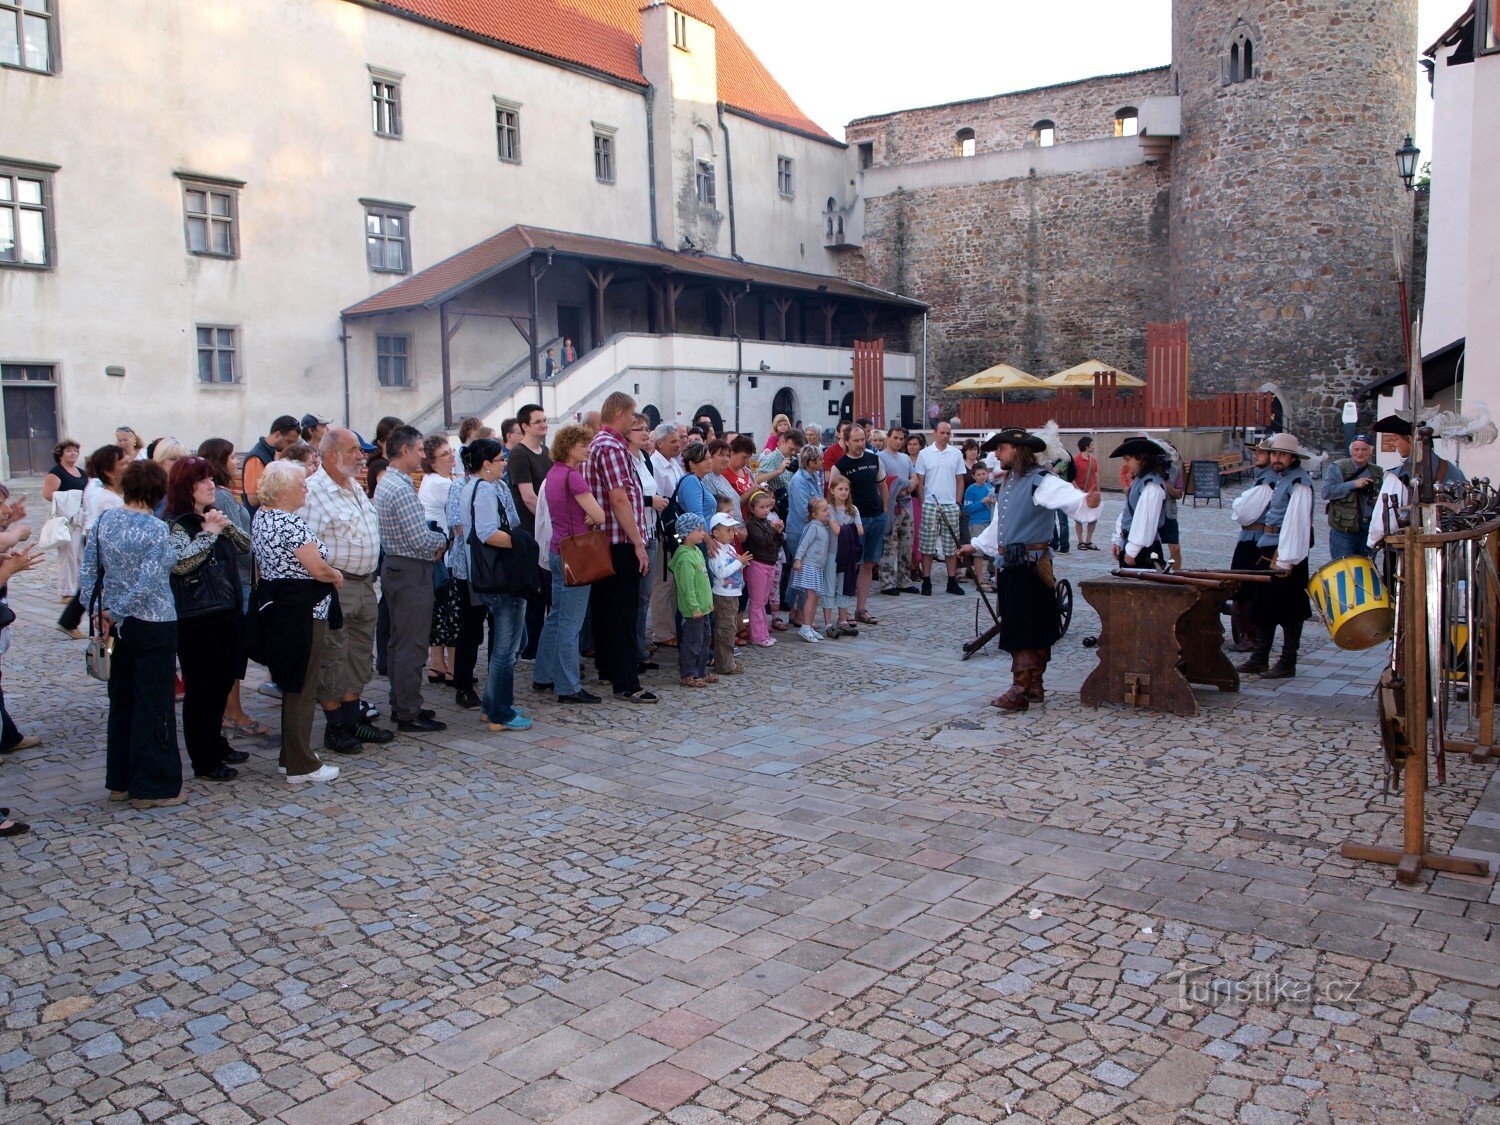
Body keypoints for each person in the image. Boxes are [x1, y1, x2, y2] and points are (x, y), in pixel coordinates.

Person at [958, 429, 1102, 711]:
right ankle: (1034, 685)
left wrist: (1086, 502)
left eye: (1002, 449)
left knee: (1026, 627)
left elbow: (1069, 497)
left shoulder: (1041, 480)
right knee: (1023, 625)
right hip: (1011, 565)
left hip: (1031, 565)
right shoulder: (1009, 482)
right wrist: (974, 545)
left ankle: (1021, 688)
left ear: (1019, 450)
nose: (997, 455)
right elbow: (1001, 524)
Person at [81, 460, 184, 808]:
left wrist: (99, 612)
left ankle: (120, 782)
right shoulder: (156, 529)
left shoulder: (104, 521)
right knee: (153, 705)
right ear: (157, 491)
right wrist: (115, 611)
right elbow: (150, 580)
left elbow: (88, 573)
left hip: (116, 624)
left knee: (122, 701)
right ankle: (151, 787)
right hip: (151, 622)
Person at [250, 461, 344, 783]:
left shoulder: (262, 517)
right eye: (301, 484)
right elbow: (318, 569)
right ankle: (301, 765)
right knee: (301, 686)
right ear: (282, 490)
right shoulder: (289, 523)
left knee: (293, 682)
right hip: (303, 610)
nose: (306, 488)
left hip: (281, 608)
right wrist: (336, 575)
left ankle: (290, 756)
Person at [163, 456, 251, 782]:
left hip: (225, 613)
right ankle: (204, 758)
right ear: (187, 486)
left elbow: (245, 546)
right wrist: (209, 533)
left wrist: (224, 525)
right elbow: (180, 565)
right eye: (203, 480)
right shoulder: (176, 523)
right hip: (196, 620)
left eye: (211, 479)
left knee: (223, 682)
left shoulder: (210, 518)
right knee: (202, 690)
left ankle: (216, 742)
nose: (211, 485)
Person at [374, 425, 450, 732]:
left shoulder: (391, 482)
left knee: (399, 642)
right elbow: (421, 539)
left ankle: (402, 703)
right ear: (404, 450)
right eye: (419, 450)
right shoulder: (400, 487)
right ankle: (407, 710)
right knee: (412, 644)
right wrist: (443, 540)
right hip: (409, 569)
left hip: (398, 567)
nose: (423, 455)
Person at [584, 392, 656, 703]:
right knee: (623, 613)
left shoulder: (597, 445)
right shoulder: (611, 447)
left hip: (606, 540)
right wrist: (638, 542)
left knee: (606, 610)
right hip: (619, 541)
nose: (632, 420)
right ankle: (626, 681)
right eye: (630, 415)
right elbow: (618, 497)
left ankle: (608, 668)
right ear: (619, 414)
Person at [198, 437, 269, 735]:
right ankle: (233, 712)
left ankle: (229, 711)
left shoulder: (225, 493)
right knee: (232, 651)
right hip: (236, 579)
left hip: (238, 578)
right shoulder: (223, 496)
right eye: (230, 457)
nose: (235, 462)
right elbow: (238, 540)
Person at [534, 424, 607, 704]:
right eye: (582, 445)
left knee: (556, 616)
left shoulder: (553, 474)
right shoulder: (574, 477)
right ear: (569, 447)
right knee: (570, 623)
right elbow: (599, 514)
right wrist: (592, 516)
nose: (587, 448)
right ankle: (568, 685)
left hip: (557, 550)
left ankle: (543, 675)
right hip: (576, 554)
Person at [463, 437, 533, 731]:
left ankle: (492, 705)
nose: (505, 463)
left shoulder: (478, 487)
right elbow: (488, 533)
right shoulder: (483, 491)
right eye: (500, 459)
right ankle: (499, 713)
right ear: (487, 464)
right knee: (506, 649)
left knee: (511, 644)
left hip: (488, 578)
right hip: (500, 579)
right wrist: (522, 545)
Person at [1239, 433, 1316, 679]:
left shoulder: (1299, 483)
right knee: (1264, 606)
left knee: (1290, 610)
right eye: (1274, 453)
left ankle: (1287, 661)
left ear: (1293, 457)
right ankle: (1260, 657)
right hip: (1270, 547)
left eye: (1282, 454)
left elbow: (1297, 523)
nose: (1277, 458)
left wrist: (1286, 558)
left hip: (1286, 553)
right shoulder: (1282, 479)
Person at [1367, 414, 1468, 550]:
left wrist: (1373, 542)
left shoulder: (1399, 475)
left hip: (1411, 551)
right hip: (1451, 547)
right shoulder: (1453, 470)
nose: (1395, 444)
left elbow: (1381, 525)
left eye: (1397, 439)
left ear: (1410, 439)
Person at [831, 424, 889, 627]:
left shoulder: (874, 459)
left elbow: (882, 485)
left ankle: (861, 608)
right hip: (853, 520)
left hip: (876, 516)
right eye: (856, 440)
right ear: (846, 441)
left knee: (869, 564)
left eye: (863, 439)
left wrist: (885, 512)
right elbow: (834, 495)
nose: (860, 443)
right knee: (851, 565)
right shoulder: (841, 465)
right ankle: (844, 611)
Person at [508, 404, 553, 662]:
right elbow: (528, 497)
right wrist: (550, 520)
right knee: (535, 593)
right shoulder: (519, 455)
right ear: (525, 426)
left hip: (547, 530)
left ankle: (541, 645)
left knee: (546, 591)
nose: (543, 425)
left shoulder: (546, 452)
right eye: (538, 421)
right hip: (530, 530)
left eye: (545, 420)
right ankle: (531, 648)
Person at [418, 434, 460, 686]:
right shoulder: (440, 484)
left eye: (451, 451)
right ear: (433, 462)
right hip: (445, 554)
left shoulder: (440, 480)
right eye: (445, 454)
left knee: (441, 609)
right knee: (451, 610)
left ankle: (437, 662)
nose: (451, 455)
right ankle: (450, 666)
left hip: (442, 552)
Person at [1227, 443, 1276, 652]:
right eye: (1257, 452)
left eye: (1261, 453)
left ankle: (1252, 635)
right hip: (1252, 536)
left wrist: (1238, 505)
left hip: (1256, 539)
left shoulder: (1268, 481)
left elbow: (1243, 512)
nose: (1257, 456)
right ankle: (1250, 633)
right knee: (1245, 586)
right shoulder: (1265, 477)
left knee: (1246, 586)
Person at [629, 413, 666, 667]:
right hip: (634, 534)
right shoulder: (625, 460)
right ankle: (633, 649)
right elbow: (624, 497)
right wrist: (650, 501)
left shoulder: (644, 459)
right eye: (638, 429)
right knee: (634, 597)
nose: (645, 433)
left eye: (646, 429)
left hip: (651, 529)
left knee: (644, 596)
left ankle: (639, 646)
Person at [913, 421, 967, 596]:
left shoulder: (956, 454)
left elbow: (960, 480)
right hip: (930, 503)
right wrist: (922, 502)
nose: (945, 436)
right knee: (927, 545)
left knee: (951, 546)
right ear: (934, 433)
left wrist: (958, 502)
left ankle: (951, 581)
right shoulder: (925, 454)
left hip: (950, 503)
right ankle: (926, 581)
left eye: (948, 433)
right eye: (942, 433)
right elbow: (920, 480)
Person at [648, 422, 685, 646]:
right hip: (664, 530)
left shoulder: (674, 464)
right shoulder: (655, 465)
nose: (678, 445)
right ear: (660, 443)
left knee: (673, 581)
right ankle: (662, 632)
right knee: (663, 581)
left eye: (678, 441)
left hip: (677, 528)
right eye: (673, 442)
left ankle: (671, 626)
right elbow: (660, 499)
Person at [1110, 437, 1171, 570]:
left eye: (1128, 459)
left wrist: (1133, 548)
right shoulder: (1140, 480)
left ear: (1141, 458)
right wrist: (1119, 538)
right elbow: (1129, 511)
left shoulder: (1152, 485)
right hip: (1132, 544)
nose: (1125, 464)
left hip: (1143, 550)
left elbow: (1146, 519)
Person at [1320, 434, 1383, 560]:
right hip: (1343, 531)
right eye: (1356, 449)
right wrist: (1354, 484)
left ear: (1370, 452)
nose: (1360, 453)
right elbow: (1326, 492)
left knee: (1365, 569)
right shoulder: (1339, 467)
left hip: (1368, 530)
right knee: (1343, 569)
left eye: (1364, 449)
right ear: (1351, 451)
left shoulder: (1377, 471)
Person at [671, 514, 715, 686]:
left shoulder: (696, 551)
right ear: (687, 533)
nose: (702, 533)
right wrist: (693, 606)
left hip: (704, 607)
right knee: (692, 642)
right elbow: (687, 586)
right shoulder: (684, 557)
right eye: (698, 530)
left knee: (705, 640)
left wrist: (708, 603)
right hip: (693, 610)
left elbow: (703, 581)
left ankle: (701, 670)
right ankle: (688, 673)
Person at [43, 439, 87, 603]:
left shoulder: (81, 472)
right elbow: (49, 494)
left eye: (75, 450)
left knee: (81, 553)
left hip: (81, 516)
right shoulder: (56, 473)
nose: (73, 453)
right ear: (60, 454)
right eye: (69, 450)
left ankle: (81, 587)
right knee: (68, 554)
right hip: (66, 518)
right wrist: (70, 498)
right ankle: (67, 591)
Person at [877, 427, 918, 596]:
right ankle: (887, 582)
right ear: (888, 438)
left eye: (901, 439)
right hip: (891, 505)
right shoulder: (880, 457)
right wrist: (897, 488)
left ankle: (904, 580)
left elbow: (914, 478)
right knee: (889, 544)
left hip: (906, 504)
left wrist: (907, 489)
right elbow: (882, 481)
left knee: (906, 544)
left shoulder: (905, 458)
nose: (898, 441)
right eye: (895, 438)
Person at [784, 446, 823, 626]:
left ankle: (796, 611)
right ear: (810, 462)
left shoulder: (814, 477)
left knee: (800, 573)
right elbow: (802, 510)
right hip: (800, 530)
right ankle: (799, 613)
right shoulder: (799, 481)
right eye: (819, 459)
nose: (822, 462)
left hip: (810, 529)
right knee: (803, 572)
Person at [706, 513, 749, 674]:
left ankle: (728, 661)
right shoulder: (716, 550)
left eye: (733, 530)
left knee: (730, 629)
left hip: (733, 593)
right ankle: (724, 665)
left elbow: (735, 567)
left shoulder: (730, 548)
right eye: (728, 530)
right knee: (725, 630)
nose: (733, 534)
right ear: (716, 533)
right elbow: (721, 572)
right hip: (723, 594)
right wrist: (739, 562)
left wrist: (741, 563)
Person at [743, 489, 786, 645]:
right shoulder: (752, 525)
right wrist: (773, 530)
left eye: (768, 507)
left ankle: (763, 633)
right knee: (756, 602)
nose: (766, 510)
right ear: (753, 508)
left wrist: (779, 533)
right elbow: (762, 541)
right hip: (758, 565)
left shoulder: (767, 523)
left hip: (769, 564)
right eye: (762, 507)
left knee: (763, 601)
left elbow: (776, 544)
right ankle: (757, 636)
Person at [823, 476, 863, 638]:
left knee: (844, 586)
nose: (844, 492)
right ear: (832, 491)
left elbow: (860, 530)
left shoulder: (853, 509)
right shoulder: (829, 509)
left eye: (846, 489)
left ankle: (843, 619)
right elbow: (837, 531)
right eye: (840, 489)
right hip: (833, 552)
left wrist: (846, 528)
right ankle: (828, 622)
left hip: (848, 554)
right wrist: (849, 528)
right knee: (830, 586)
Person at [792, 496, 832, 643]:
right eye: (824, 510)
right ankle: (805, 626)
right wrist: (798, 559)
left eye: (828, 509)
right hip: (809, 565)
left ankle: (809, 626)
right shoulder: (813, 526)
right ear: (814, 514)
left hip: (817, 566)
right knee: (811, 596)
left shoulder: (823, 527)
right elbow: (804, 543)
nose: (828, 512)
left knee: (815, 597)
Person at [242, 415, 301, 510]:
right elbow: (253, 499)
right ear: (277, 435)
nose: (291, 446)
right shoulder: (256, 458)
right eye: (289, 442)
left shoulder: (275, 453)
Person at [962, 463, 995, 588]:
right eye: (978, 475)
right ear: (974, 476)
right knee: (978, 552)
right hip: (977, 522)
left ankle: (994, 576)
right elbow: (967, 508)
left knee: (994, 551)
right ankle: (980, 579)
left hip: (990, 521)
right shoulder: (971, 489)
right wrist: (982, 502)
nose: (982, 477)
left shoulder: (989, 487)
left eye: (983, 474)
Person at [364, 416, 405, 500]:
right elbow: (391, 490)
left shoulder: (387, 462)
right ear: (380, 442)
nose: (397, 444)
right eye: (392, 441)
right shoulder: (379, 465)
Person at [1071, 437, 1101, 549]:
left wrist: (1098, 490)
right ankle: (1080, 541)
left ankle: (1088, 540)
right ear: (1086, 446)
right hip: (1080, 492)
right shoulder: (1076, 460)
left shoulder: (1093, 460)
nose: (1093, 446)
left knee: (1093, 517)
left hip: (1092, 492)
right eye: (1092, 444)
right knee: (1079, 518)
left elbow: (1096, 474)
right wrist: (1077, 489)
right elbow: (1071, 477)